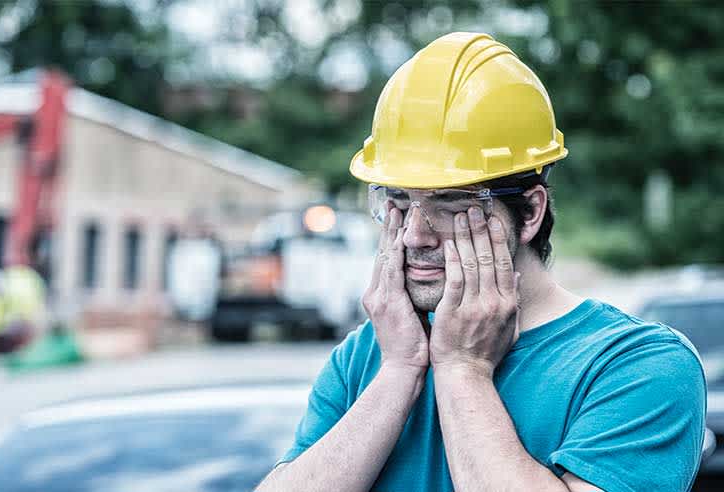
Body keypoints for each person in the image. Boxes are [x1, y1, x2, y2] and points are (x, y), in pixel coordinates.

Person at [256, 32, 707, 491]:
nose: (414, 235)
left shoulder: (636, 364)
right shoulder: (367, 356)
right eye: (397, 199)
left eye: (451, 203)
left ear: (529, 212)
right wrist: (400, 370)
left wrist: (462, 370)